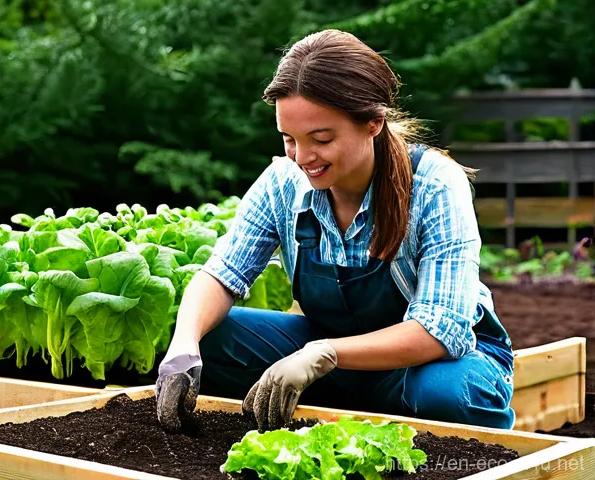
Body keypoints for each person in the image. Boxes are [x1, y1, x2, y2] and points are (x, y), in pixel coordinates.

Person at [154, 29, 515, 434]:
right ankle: (341, 407)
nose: (302, 157)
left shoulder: (434, 186)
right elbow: (222, 274)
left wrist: (324, 354)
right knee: (210, 341)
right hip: (330, 355)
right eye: (289, 138)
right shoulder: (283, 181)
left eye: (321, 139)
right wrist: (184, 346)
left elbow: (440, 330)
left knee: (446, 397)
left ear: (374, 122)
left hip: (428, 364)